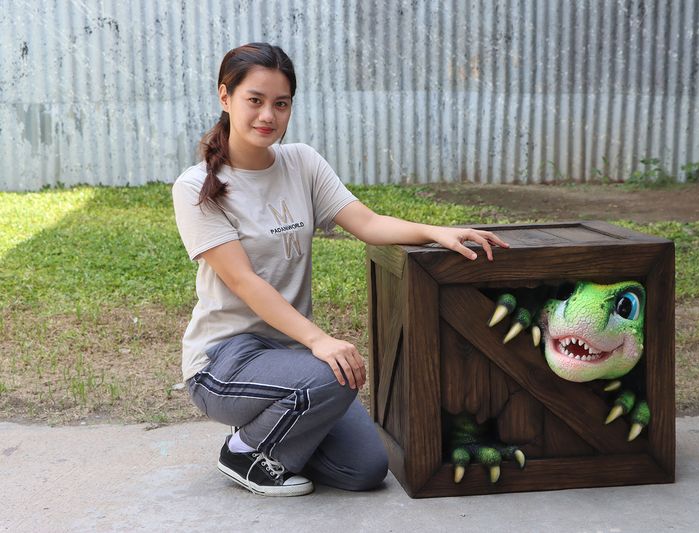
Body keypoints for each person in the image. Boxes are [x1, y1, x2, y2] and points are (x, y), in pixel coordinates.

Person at [172, 42, 509, 497]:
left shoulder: (302, 162)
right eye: (254, 100)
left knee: (366, 469)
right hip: (223, 362)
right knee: (333, 373)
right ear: (225, 97)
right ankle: (244, 450)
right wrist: (318, 340)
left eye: (281, 103)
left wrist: (437, 231)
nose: (267, 115)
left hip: (285, 356)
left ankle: (279, 431)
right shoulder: (197, 187)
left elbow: (367, 223)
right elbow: (243, 281)